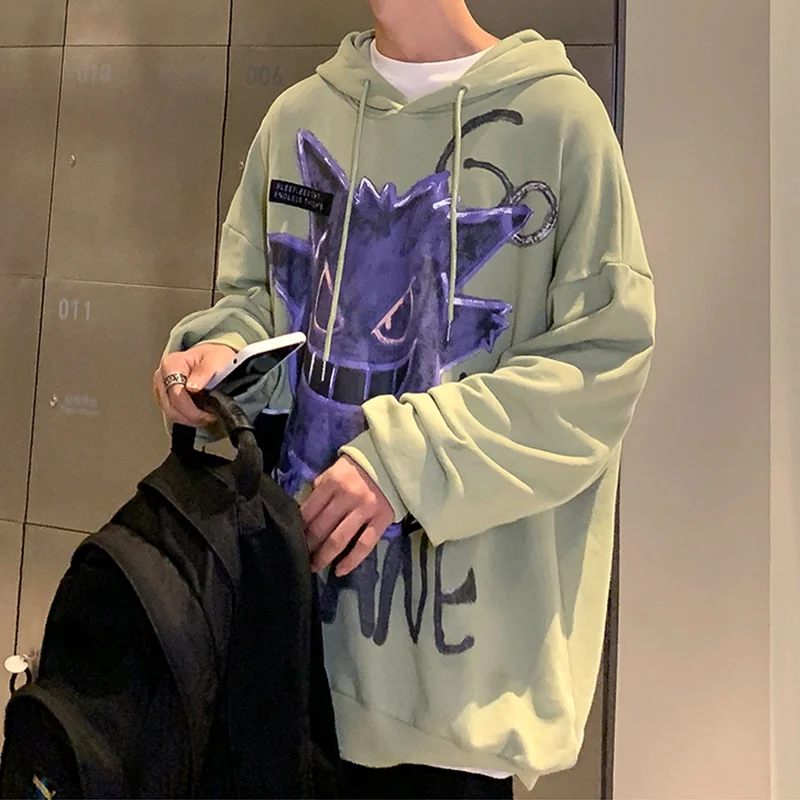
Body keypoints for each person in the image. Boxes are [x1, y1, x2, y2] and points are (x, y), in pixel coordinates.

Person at [155, 0, 655, 797]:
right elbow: (257, 302)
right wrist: (220, 355)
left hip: (455, 710)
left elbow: (600, 365)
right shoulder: (298, 118)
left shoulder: (561, 121)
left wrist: (404, 461)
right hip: (282, 665)